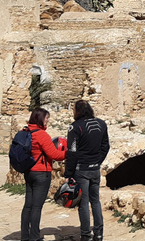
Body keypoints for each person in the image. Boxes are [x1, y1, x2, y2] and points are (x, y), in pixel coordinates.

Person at [64, 100, 110, 241]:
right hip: (95, 169)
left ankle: (85, 235)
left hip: (81, 170)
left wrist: (68, 173)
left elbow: (72, 151)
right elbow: (105, 146)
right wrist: (97, 161)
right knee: (95, 201)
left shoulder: (75, 127)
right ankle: (99, 233)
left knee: (83, 203)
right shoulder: (101, 124)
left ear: (77, 111)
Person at [21, 107, 66, 241]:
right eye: (46, 118)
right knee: (36, 207)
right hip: (41, 173)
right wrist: (67, 153)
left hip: (29, 172)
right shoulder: (41, 135)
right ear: (40, 118)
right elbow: (54, 154)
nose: (47, 121)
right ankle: (34, 237)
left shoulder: (26, 131)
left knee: (28, 205)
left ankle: (25, 236)